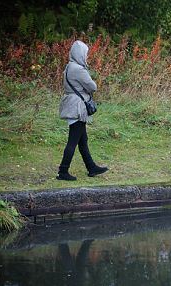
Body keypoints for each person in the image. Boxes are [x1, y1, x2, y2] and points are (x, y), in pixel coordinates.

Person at [57, 40, 108, 181]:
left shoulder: (68, 67)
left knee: (82, 140)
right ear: (80, 54)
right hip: (77, 108)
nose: (86, 56)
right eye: (85, 54)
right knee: (73, 141)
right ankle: (63, 171)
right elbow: (93, 87)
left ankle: (91, 167)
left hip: (72, 105)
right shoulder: (78, 69)